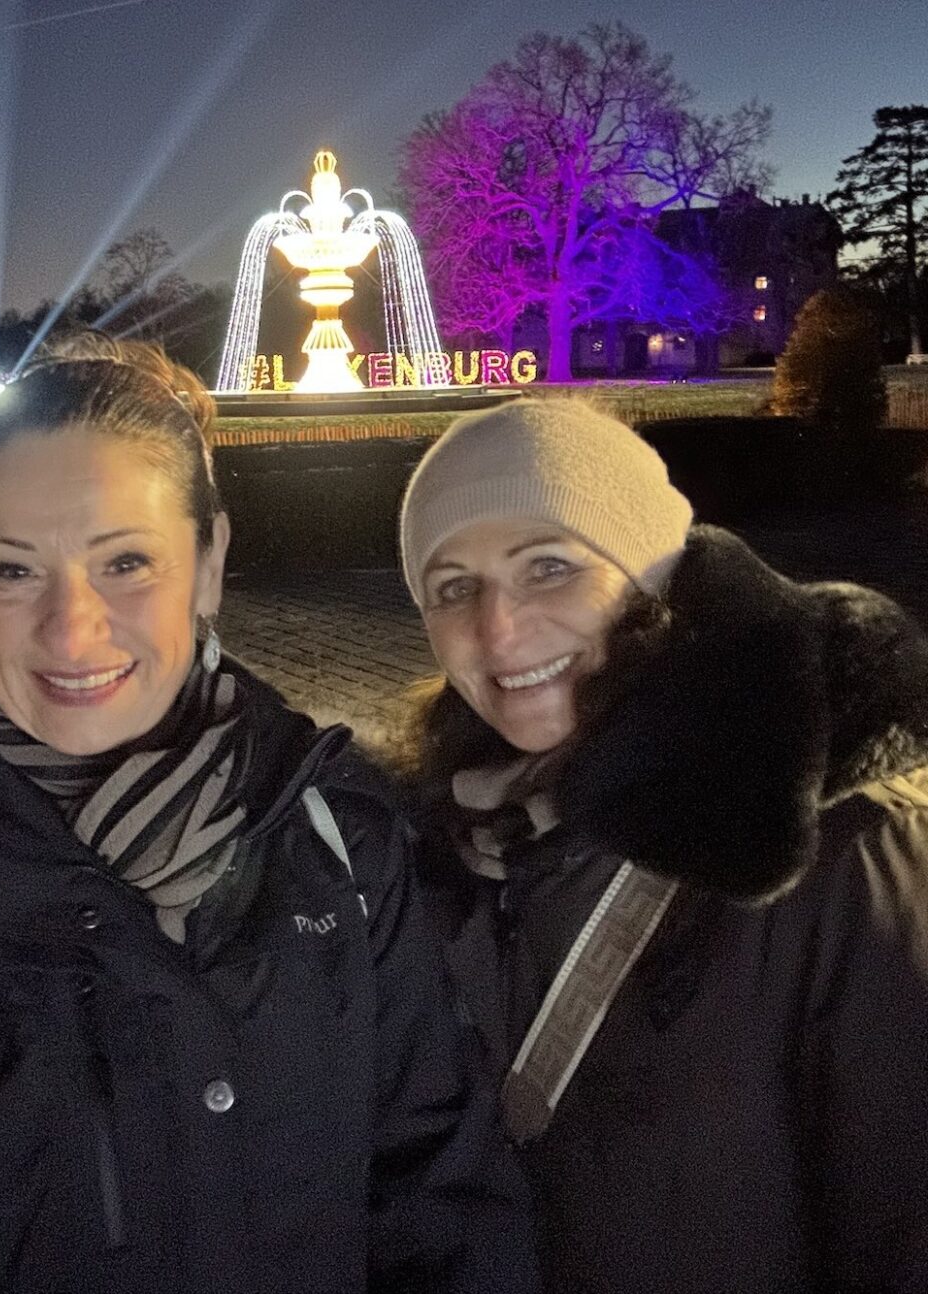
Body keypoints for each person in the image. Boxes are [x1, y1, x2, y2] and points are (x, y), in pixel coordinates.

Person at [0, 336, 533, 1293]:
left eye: (125, 563)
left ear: (209, 562)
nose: (71, 629)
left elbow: (440, 1200)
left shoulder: (340, 837)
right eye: (14, 570)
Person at [394, 398, 928, 1293]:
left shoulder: (843, 848)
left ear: (655, 577)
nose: (497, 628)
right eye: (453, 587)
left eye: (549, 566)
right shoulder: (452, 845)